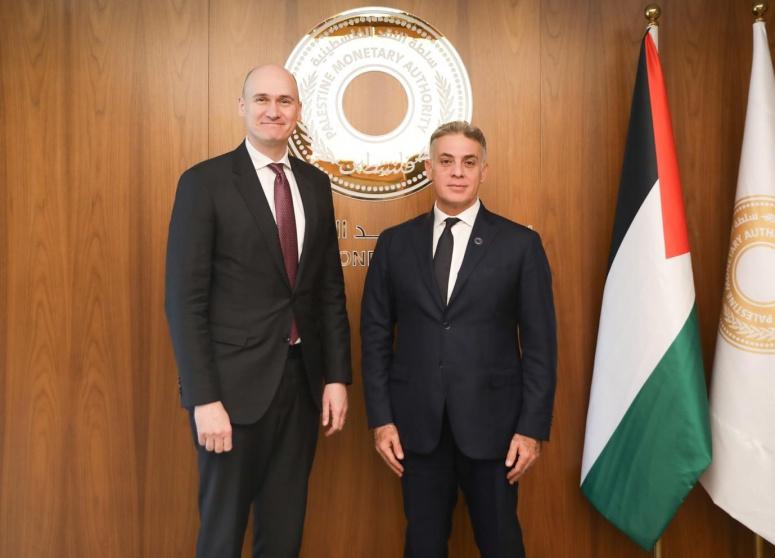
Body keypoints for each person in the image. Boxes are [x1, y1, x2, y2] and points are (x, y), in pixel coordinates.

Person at [165, 64, 351, 558]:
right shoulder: (204, 182)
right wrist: (204, 399)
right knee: (222, 535)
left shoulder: (315, 184)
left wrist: (336, 377)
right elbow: (184, 301)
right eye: (262, 99)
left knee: (284, 534)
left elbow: (328, 289)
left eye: (284, 101)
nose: (273, 110)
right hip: (230, 394)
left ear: (298, 111)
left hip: (301, 385)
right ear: (242, 107)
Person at [361, 121, 557, 558]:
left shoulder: (520, 245)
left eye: (469, 162)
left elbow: (541, 346)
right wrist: (381, 419)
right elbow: (374, 337)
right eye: (446, 161)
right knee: (423, 544)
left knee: (502, 544)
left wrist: (531, 429)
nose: (457, 172)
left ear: (484, 171)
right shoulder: (395, 244)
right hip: (417, 428)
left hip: (496, 429)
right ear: (429, 168)